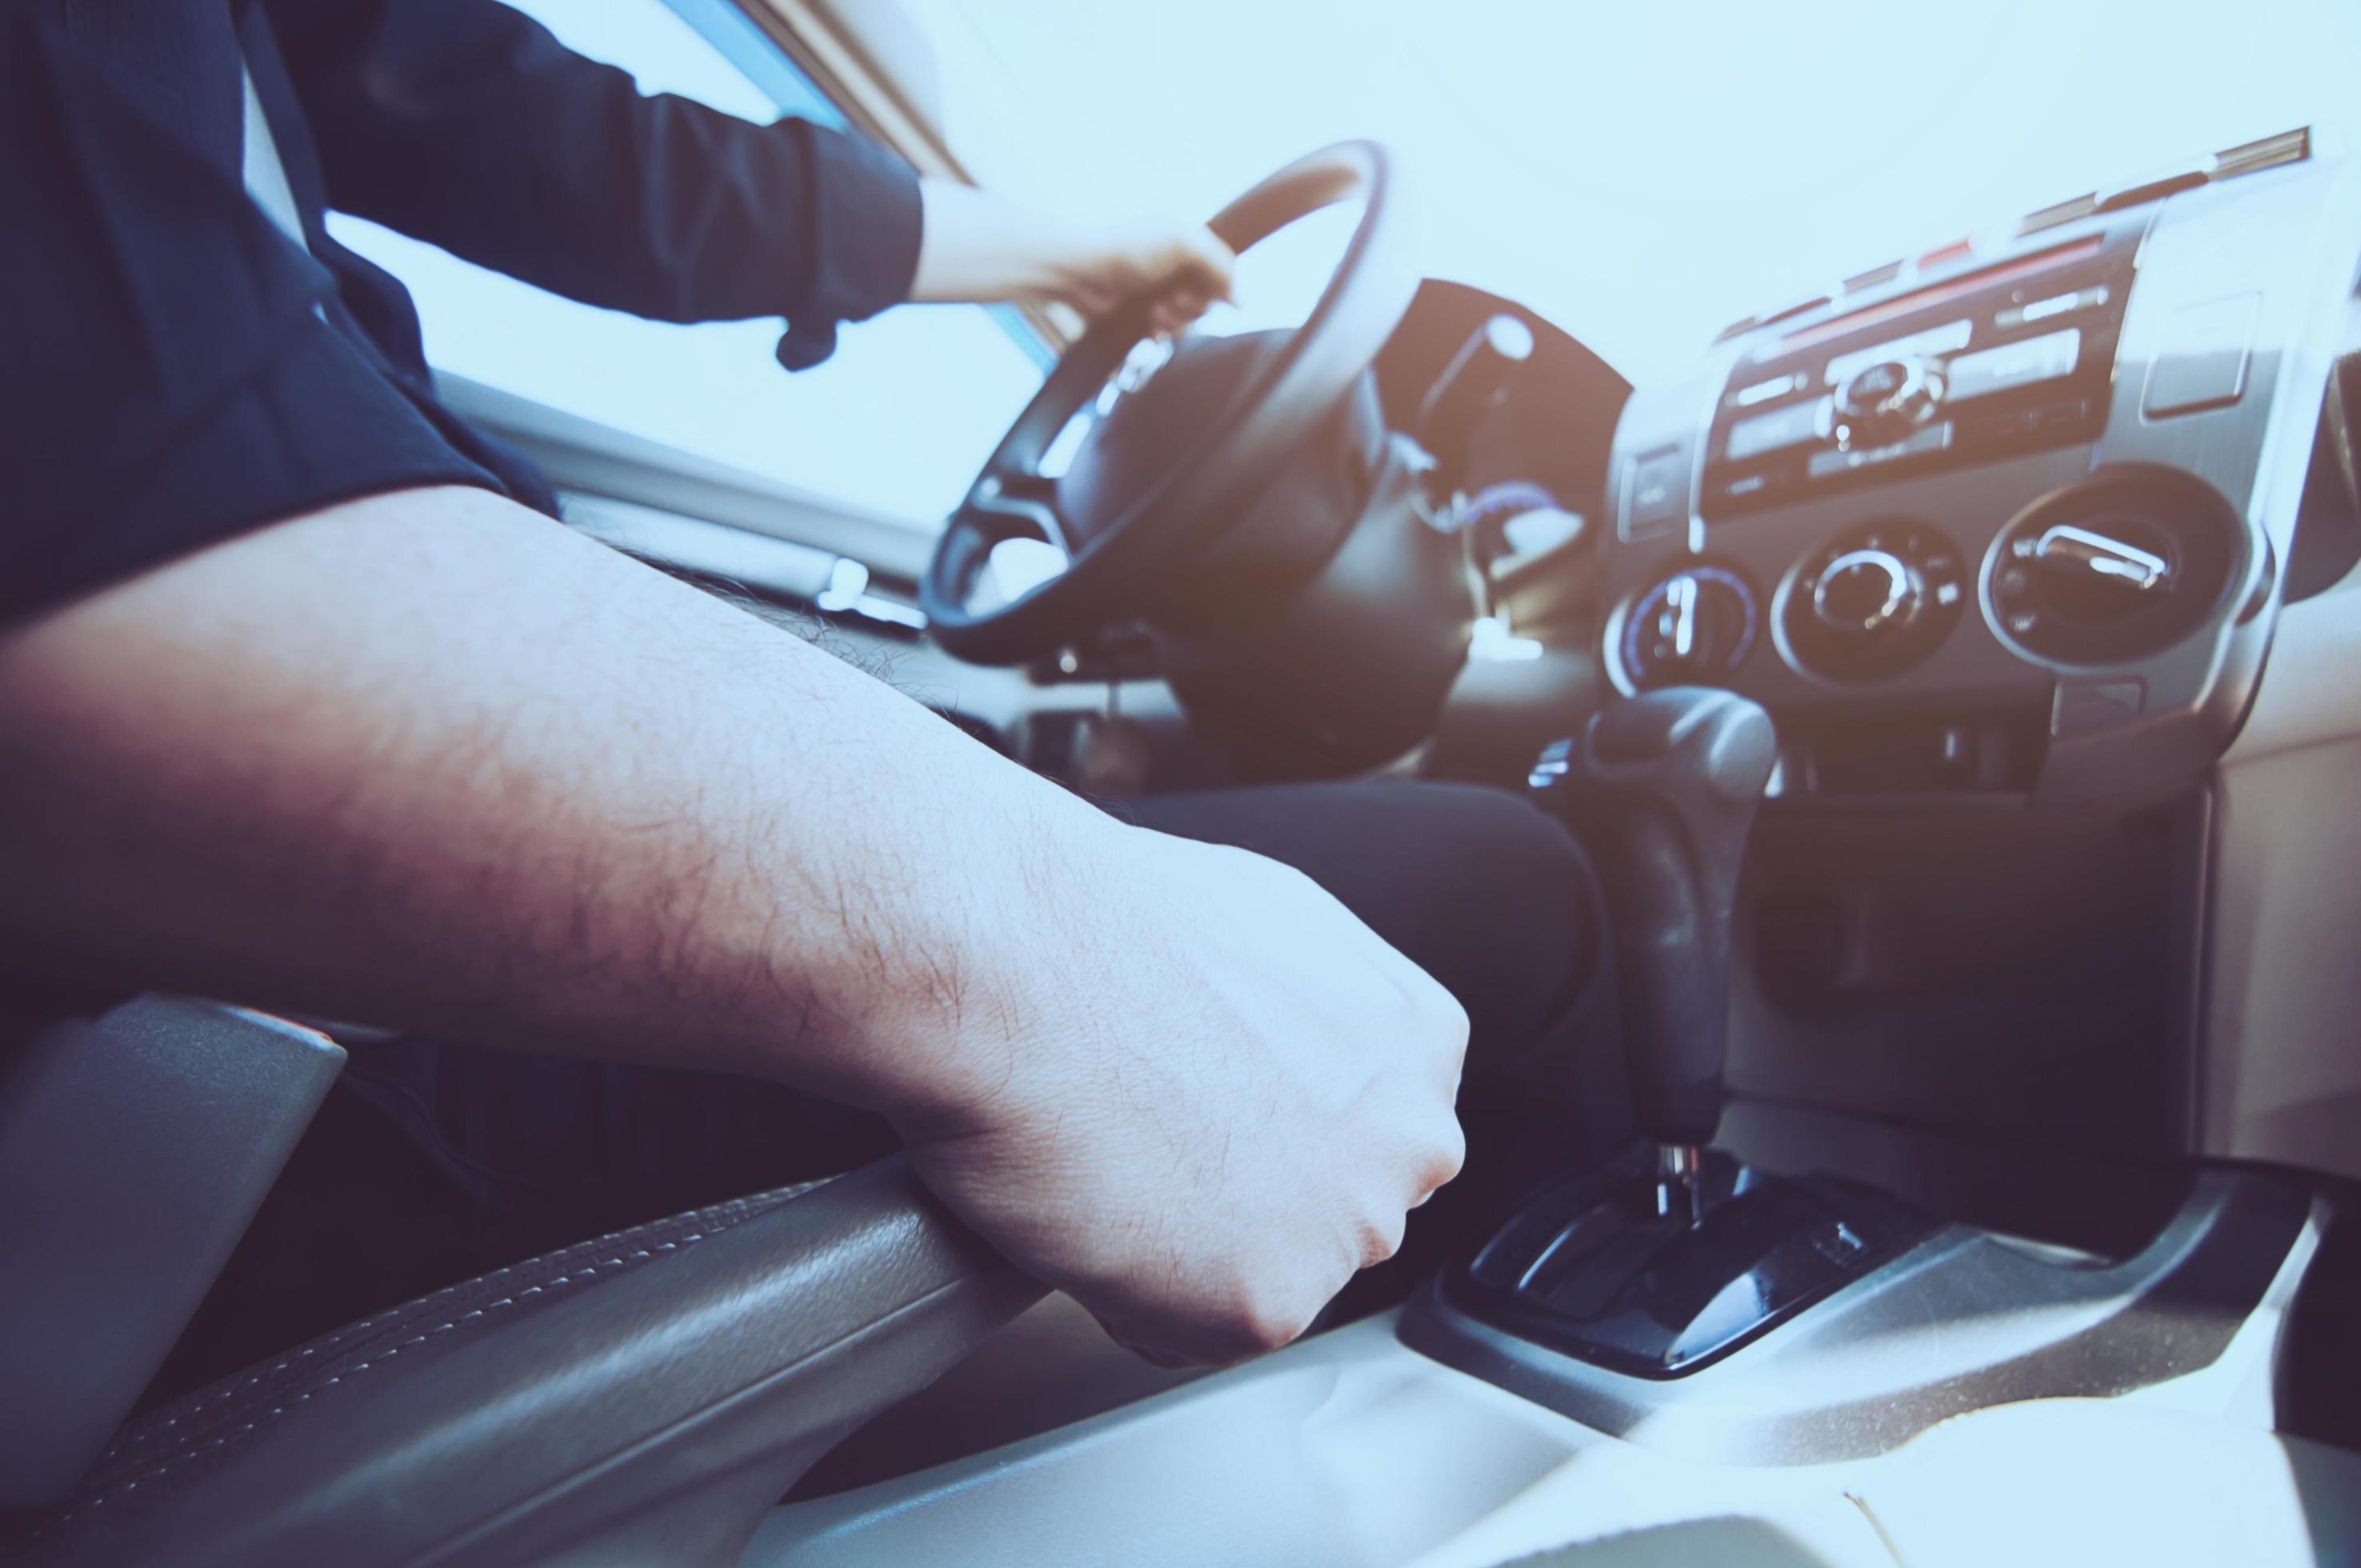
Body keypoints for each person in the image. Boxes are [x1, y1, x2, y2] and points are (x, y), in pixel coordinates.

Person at [0, 0, 1621, 1382]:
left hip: (219, 1078)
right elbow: (119, 551)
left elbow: (533, 131)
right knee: (1511, 882)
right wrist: (1054, 944)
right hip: (211, 1131)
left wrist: (1066, 252)